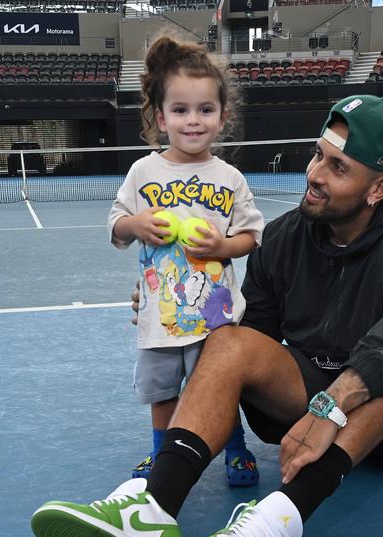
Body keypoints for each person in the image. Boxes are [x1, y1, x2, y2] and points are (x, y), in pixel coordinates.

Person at [31, 94, 383, 537]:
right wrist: (178, 304)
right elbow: (253, 338)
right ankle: (153, 510)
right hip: (316, 396)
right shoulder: (286, 237)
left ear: (378, 188)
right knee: (230, 341)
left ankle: (273, 527)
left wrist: (337, 401)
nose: (315, 174)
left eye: (337, 168)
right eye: (317, 156)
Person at [107, 34, 264, 488]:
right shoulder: (143, 172)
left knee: (218, 387)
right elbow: (116, 225)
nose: (192, 121)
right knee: (162, 392)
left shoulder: (229, 178)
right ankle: (161, 456)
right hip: (161, 315)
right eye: (180, 110)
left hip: (215, 316)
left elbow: (252, 234)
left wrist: (222, 247)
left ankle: (235, 450)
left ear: (222, 117)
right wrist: (135, 225)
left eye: (205, 110)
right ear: (160, 117)